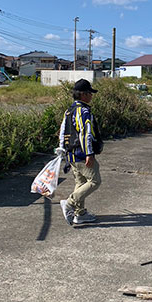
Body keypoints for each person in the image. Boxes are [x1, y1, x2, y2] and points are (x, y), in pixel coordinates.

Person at [58, 79, 104, 225]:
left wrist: (62, 150)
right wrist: (89, 154)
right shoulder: (84, 111)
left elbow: (62, 131)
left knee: (80, 182)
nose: (91, 96)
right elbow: (85, 134)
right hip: (81, 154)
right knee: (95, 181)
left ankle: (80, 214)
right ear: (83, 94)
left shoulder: (69, 111)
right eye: (90, 93)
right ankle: (70, 203)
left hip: (70, 154)